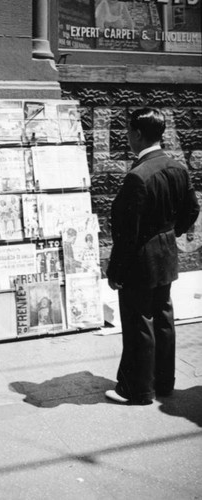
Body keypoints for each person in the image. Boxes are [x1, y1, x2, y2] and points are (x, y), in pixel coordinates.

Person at [106, 108, 200, 406]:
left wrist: (115, 270)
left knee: (138, 322)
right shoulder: (177, 168)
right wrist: (170, 233)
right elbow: (192, 209)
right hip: (166, 253)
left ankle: (137, 390)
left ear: (136, 134)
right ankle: (163, 382)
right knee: (162, 318)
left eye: (128, 134)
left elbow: (126, 232)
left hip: (140, 258)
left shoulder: (138, 176)